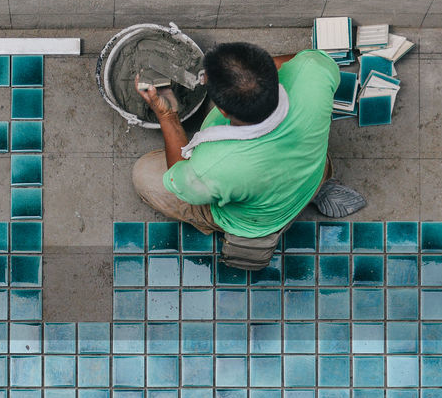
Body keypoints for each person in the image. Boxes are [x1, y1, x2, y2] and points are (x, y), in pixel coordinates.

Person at [131, 42, 365, 270]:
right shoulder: (313, 70)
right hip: (309, 174)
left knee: (144, 174)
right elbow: (301, 60)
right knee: (305, 174)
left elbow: (180, 178)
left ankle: (254, 245)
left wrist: (167, 115)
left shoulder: (213, 166)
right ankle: (320, 189)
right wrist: (244, 76)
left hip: (258, 220)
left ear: (222, 110)